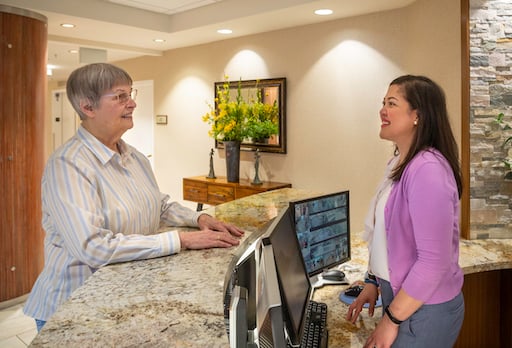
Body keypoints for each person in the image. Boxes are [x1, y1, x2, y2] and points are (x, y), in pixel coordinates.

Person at [23, 63, 244, 332]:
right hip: (73, 308)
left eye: (131, 94)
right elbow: (92, 247)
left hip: (121, 301)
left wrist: (200, 218)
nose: (132, 104)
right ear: (87, 108)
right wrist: (180, 240)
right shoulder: (68, 165)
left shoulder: (135, 157)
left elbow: (159, 204)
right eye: (120, 97)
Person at [345, 75, 464, 348]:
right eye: (383, 102)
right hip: (403, 301)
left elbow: (434, 262)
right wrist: (372, 281)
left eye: (392, 103)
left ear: (417, 116)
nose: (382, 110)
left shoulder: (428, 169)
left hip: (424, 312)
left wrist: (391, 320)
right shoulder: (400, 162)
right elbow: (387, 235)